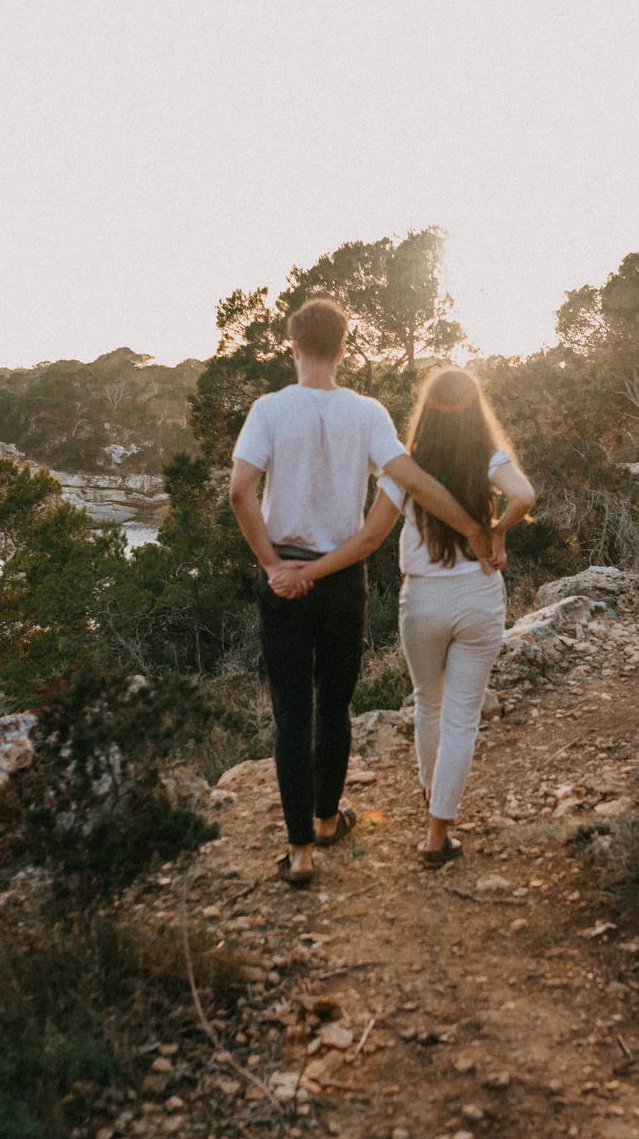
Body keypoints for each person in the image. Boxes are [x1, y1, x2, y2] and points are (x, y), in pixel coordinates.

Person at [229, 300, 503, 887]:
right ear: (345, 349)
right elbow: (410, 484)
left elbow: (240, 493)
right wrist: (474, 529)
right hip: (342, 578)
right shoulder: (367, 412)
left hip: (284, 579)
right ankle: (328, 820)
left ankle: (301, 853)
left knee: (291, 711)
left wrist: (276, 565)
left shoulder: (270, 409)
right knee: (334, 705)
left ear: (294, 346)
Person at [271, 367, 535, 867]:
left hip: (424, 600)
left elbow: (369, 538)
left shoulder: (403, 469)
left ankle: (430, 793)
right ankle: (437, 835)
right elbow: (524, 496)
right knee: (461, 718)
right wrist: (497, 530)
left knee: (428, 708)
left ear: (427, 412)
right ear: (476, 409)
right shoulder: (488, 457)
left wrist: (307, 569)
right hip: (479, 596)